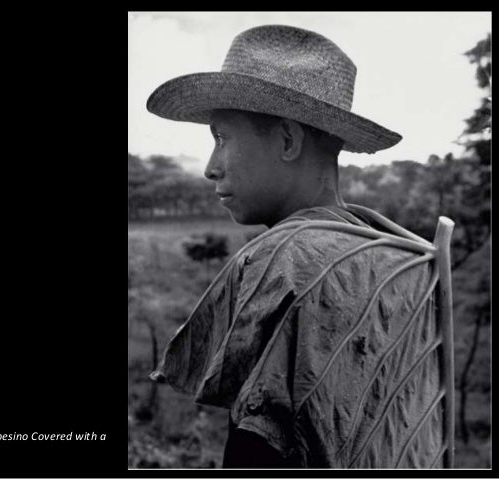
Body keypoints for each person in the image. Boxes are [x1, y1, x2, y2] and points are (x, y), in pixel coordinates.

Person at [147, 25, 447, 468]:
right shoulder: (408, 257)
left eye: (221, 138)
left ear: (288, 140)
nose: (211, 167)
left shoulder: (285, 259)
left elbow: (256, 452)